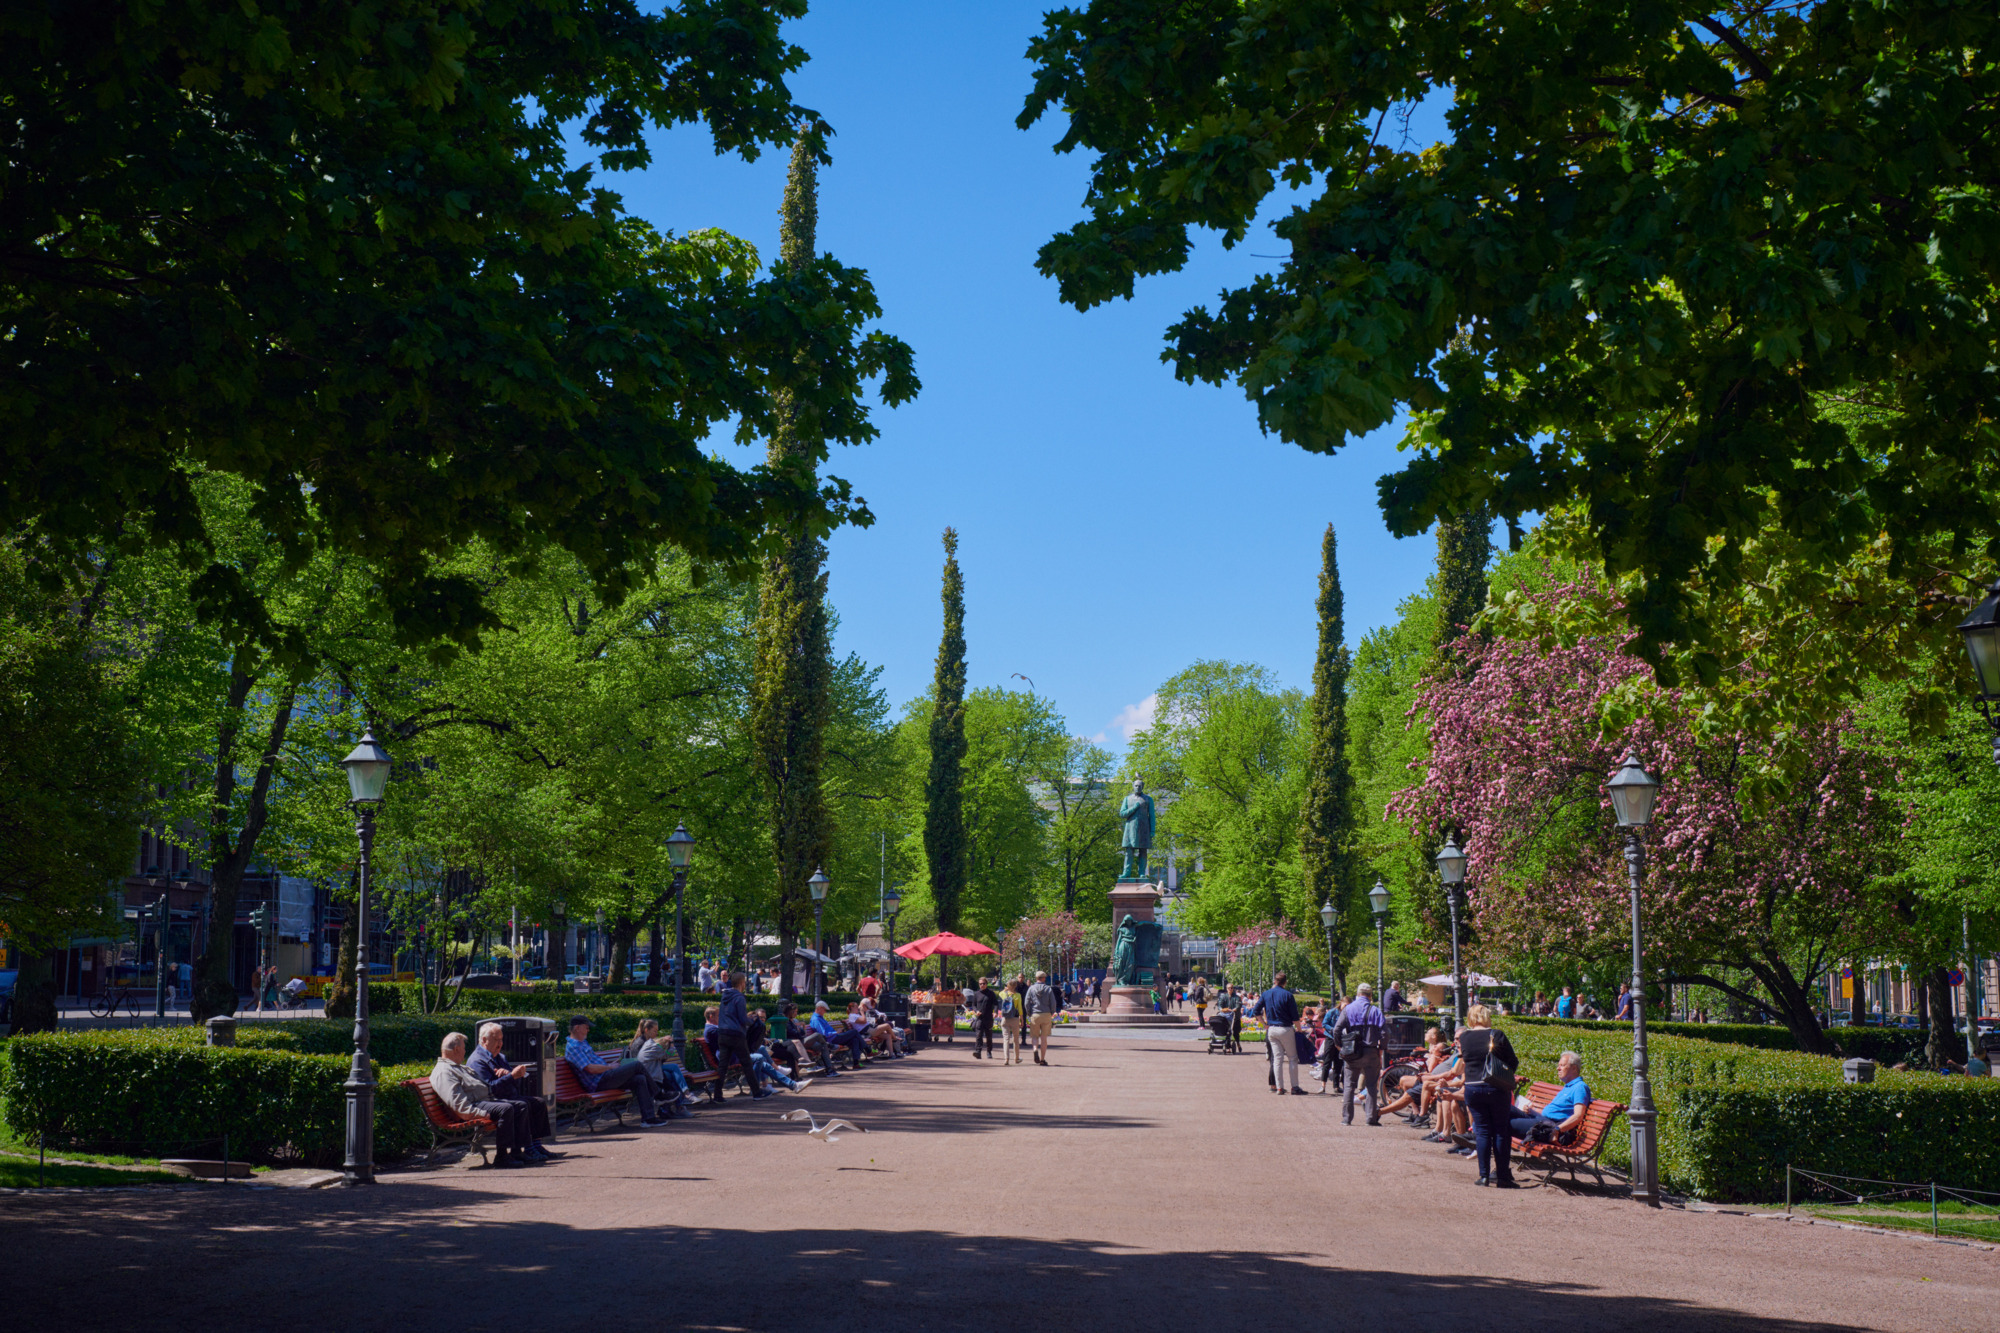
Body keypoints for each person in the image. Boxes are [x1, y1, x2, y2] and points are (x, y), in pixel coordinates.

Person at [433, 1032, 541, 1166]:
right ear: (456, 1049)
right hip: (476, 1105)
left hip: (484, 1101)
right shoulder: (445, 1071)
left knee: (520, 1105)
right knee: (506, 1109)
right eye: (464, 1048)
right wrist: (482, 1114)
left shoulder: (456, 1067)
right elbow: (459, 1104)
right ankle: (501, 1157)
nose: (465, 1051)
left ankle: (517, 1152)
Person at [466, 1022, 566, 1154]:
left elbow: (516, 1084)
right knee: (521, 1105)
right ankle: (522, 1150)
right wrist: (510, 1076)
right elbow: (490, 1088)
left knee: (538, 1103)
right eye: (496, 1040)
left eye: (501, 1039)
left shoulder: (500, 1057)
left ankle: (536, 1145)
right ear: (484, 1040)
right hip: (493, 1100)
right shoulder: (478, 1060)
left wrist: (510, 1075)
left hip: (508, 1096)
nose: (500, 1044)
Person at [1456, 1004, 1520, 1187]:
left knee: (1482, 1131)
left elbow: (1465, 1059)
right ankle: (1501, 1177)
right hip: (1496, 1087)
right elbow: (1513, 1061)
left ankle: (1483, 1176)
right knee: (1500, 1131)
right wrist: (1504, 1074)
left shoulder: (1465, 1037)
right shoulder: (1497, 1034)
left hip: (1472, 1087)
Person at [565, 1016, 668, 1125]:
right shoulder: (573, 1047)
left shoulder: (582, 1043)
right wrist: (609, 1067)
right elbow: (590, 1069)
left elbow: (594, 1064)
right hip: (599, 1082)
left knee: (640, 1079)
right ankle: (658, 1095)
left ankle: (648, 1119)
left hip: (605, 1076)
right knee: (637, 1065)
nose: (588, 1030)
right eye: (586, 1027)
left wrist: (610, 1065)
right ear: (577, 1028)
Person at [1510, 1050, 1591, 1149]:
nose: (1558, 1068)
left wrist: (1557, 1130)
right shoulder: (1568, 1087)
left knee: (1506, 1122)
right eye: (1558, 1065)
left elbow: (1578, 1115)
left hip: (1550, 1128)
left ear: (1574, 1068)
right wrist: (1531, 1111)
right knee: (1504, 1106)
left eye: (1562, 1065)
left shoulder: (1580, 1087)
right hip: (1541, 1121)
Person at [711, 974, 772, 1099]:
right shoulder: (739, 997)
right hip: (736, 1034)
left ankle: (717, 1095)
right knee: (747, 1063)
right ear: (741, 983)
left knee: (723, 1065)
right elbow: (742, 1019)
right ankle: (757, 1093)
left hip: (722, 1034)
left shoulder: (725, 996)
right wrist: (752, 1020)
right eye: (744, 982)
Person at [1333, 982, 1386, 1124]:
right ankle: (1370, 1118)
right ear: (1370, 996)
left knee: (1349, 1086)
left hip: (1352, 1052)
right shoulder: (1376, 1011)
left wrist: (1339, 1046)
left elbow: (1336, 1029)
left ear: (1357, 994)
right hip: (1371, 1051)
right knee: (1371, 1086)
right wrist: (1380, 1051)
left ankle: (1346, 1119)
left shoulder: (1348, 1009)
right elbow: (1385, 1034)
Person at [623, 1018, 698, 1116]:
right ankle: (680, 1103)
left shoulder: (646, 1041)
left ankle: (677, 1104)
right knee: (670, 1076)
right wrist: (667, 1046)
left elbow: (657, 1058)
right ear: (646, 1030)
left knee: (672, 1069)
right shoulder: (642, 1043)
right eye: (654, 1031)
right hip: (646, 1072)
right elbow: (647, 1061)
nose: (656, 1033)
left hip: (651, 1069)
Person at [1259, 971, 1305, 1094]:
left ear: (1275, 981)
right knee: (1292, 1058)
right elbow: (1295, 1017)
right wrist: (1300, 1030)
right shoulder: (1288, 995)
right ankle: (1295, 1087)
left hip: (1272, 1029)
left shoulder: (1266, 994)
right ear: (1285, 982)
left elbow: (1256, 1011)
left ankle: (1279, 1087)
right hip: (1285, 1028)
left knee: (1277, 1059)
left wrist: (1264, 1024)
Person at [811, 1000, 868, 1069]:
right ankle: (868, 1050)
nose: (825, 1012)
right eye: (824, 1010)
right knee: (854, 1032)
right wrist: (836, 1032)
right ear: (819, 1008)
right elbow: (823, 1034)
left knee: (855, 1040)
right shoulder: (816, 1019)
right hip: (832, 1039)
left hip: (834, 1037)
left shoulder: (819, 1018)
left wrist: (837, 1032)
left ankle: (856, 1063)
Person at [1026, 970, 1059, 1065]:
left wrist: (1029, 1012)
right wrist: (1052, 1012)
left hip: (1035, 1014)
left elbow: (1026, 1002)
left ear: (1036, 978)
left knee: (1035, 1036)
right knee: (1044, 1038)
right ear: (1044, 978)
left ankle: (1035, 1049)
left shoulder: (1031, 988)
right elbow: (1053, 1002)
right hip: (1046, 1014)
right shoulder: (1048, 989)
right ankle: (1042, 1059)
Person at [971, 977, 999, 1059]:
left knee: (988, 1036)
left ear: (986, 984)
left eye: (983, 983)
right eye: (980, 984)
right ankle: (978, 1051)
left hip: (988, 1018)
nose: (982, 985)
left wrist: (995, 1012)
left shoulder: (991, 993)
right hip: (980, 1018)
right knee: (978, 1035)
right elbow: (973, 1005)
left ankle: (989, 1051)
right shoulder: (977, 994)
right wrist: (976, 1011)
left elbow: (996, 1004)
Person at [1000, 977, 1026, 1064]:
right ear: (1015, 986)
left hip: (1005, 1018)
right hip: (1014, 1018)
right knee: (1015, 1039)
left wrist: (1005, 989)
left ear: (1008, 985)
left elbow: (1000, 993)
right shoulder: (1017, 995)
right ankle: (1016, 1058)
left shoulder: (1004, 994)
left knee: (1006, 1039)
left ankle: (1006, 1059)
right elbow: (1020, 1008)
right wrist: (1022, 1019)